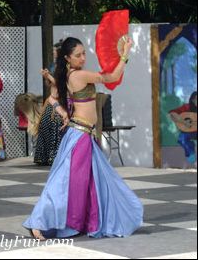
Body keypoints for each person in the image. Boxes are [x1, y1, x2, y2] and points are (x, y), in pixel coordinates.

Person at [23, 37, 143, 240]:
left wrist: (63, 113)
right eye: (78, 55)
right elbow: (112, 76)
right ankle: (39, 222)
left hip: (82, 134)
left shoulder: (66, 76)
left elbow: (52, 98)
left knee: (91, 182)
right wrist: (125, 53)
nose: (83, 58)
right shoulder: (79, 75)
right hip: (79, 136)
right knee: (65, 181)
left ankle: (81, 221)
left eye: (84, 53)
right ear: (68, 58)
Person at [34, 40, 70, 166]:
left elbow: (62, 85)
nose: (54, 54)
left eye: (55, 52)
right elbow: (49, 84)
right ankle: (44, 156)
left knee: (57, 125)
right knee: (44, 125)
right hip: (51, 99)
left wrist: (49, 76)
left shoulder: (66, 67)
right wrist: (46, 77)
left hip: (61, 101)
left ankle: (55, 156)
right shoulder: (53, 65)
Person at [169, 91, 197, 164]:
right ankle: (191, 153)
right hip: (189, 131)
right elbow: (172, 113)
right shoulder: (186, 107)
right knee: (182, 139)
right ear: (193, 100)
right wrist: (184, 122)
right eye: (196, 99)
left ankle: (190, 151)